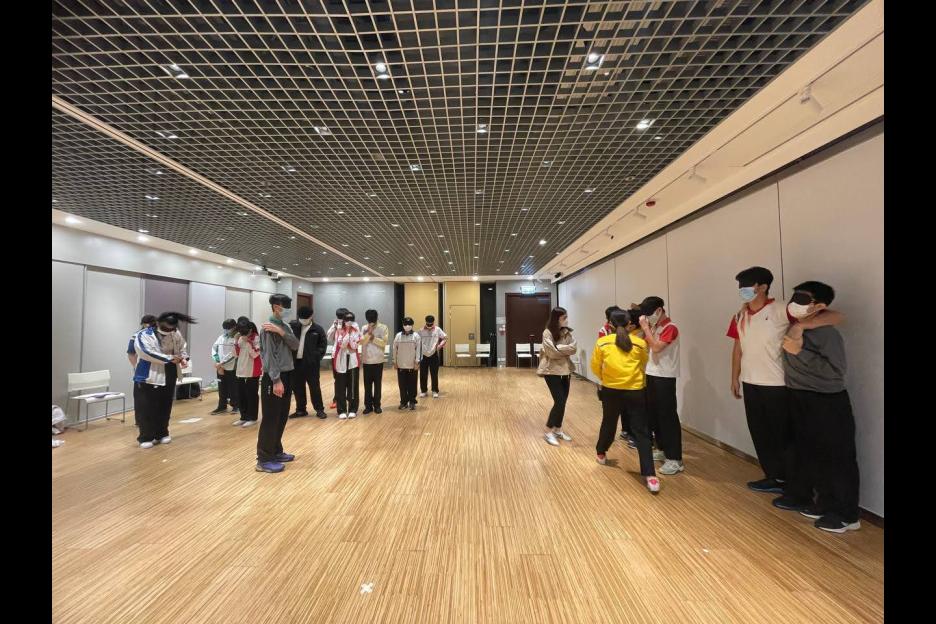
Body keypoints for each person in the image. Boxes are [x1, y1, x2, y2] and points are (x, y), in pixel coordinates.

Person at [728, 266, 843, 494]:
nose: (742, 290)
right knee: (760, 433)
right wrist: (734, 377)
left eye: (747, 285)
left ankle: (793, 484)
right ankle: (773, 477)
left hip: (777, 384)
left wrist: (801, 325)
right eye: (740, 286)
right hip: (751, 382)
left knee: (783, 436)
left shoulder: (782, 309)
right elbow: (737, 347)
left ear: (763, 287)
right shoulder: (739, 315)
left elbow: (836, 316)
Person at [772, 281, 860, 533]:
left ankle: (847, 514)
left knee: (838, 457)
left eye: (802, 299)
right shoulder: (795, 325)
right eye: (794, 298)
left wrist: (800, 351)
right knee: (813, 454)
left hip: (827, 400)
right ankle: (825, 503)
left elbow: (836, 371)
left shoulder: (828, 334)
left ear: (819, 306)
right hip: (799, 397)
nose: (794, 303)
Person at [591, 309, 660, 494]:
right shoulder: (639, 343)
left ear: (610, 325)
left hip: (610, 390)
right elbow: (644, 364)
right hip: (635, 391)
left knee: (609, 422)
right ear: (630, 324)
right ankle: (650, 475)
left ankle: (601, 453)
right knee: (641, 431)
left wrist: (605, 379)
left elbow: (595, 366)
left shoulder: (602, 342)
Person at [133, 312, 196, 449]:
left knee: (165, 405)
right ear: (158, 323)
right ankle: (145, 436)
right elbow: (146, 352)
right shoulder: (143, 335)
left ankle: (162, 433)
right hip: (149, 375)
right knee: (146, 407)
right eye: (166, 328)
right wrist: (169, 358)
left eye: (171, 328)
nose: (169, 331)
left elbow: (182, 348)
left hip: (169, 372)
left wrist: (184, 358)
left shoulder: (175, 333)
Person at [638, 296, 683, 475]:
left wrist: (645, 328)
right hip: (651, 374)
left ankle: (675, 459)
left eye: (648, 314)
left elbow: (656, 347)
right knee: (655, 415)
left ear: (659, 310)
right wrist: (647, 329)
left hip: (665, 377)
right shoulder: (654, 327)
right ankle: (663, 449)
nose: (646, 318)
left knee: (667, 417)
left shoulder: (671, 327)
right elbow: (646, 346)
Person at [256, 294, 300, 473]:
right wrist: (276, 380)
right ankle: (264, 458)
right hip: (274, 376)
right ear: (276, 307)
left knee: (282, 415)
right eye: (285, 306)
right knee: (271, 417)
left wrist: (281, 332)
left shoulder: (285, 326)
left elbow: (295, 345)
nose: (288, 310)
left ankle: (275, 450)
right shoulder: (267, 329)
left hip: (287, 374)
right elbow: (268, 356)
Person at [538, 307, 577, 447]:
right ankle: (548, 431)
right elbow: (551, 353)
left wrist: (558, 348)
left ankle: (558, 429)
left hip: (566, 371)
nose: (566, 320)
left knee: (563, 402)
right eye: (564, 318)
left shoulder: (567, 331)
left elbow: (574, 348)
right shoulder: (547, 333)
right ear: (557, 319)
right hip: (552, 371)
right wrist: (564, 350)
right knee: (559, 401)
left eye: (566, 317)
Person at [598, 305, 633, 446]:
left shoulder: (629, 332)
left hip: (626, 377)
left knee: (626, 407)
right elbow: (601, 357)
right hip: (610, 378)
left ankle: (626, 430)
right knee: (610, 414)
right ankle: (605, 443)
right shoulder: (603, 332)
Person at [289, 306, 327, 419]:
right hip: (296, 363)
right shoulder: (293, 327)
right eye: (301, 318)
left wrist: (316, 356)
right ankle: (301, 410)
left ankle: (319, 409)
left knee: (314, 387)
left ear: (311, 316)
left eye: (306, 318)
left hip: (311, 364)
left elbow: (323, 345)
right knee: (298, 387)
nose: (303, 320)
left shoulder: (318, 329)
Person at [232, 317, 261, 428]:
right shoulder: (240, 338)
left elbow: (255, 354)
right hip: (241, 370)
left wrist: (248, 342)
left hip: (252, 371)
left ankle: (252, 417)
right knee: (241, 395)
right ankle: (243, 417)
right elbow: (235, 354)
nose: (242, 333)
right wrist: (236, 341)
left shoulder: (256, 338)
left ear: (250, 330)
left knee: (251, 395)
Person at [332, 310, 361, 419]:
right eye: (347, 319)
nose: (349, 321)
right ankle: (341, 410)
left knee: (353, 386)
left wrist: (349, 337)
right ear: (344, 320)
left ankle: (353, 409)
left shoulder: (356, 330)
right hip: (341, 360)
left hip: (353, 361)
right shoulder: (339, 330)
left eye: (351, 319)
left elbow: (355, 346)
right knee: (340, 386)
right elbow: (341, 344)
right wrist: (346, 335)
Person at [360, 309, 390, 414]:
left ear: (377, 318)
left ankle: (377, 405)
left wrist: (373, 338)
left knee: (377, 385)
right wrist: (368, 333)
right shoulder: (364, 328)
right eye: (369, 320)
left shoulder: (383, 327)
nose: (371, 321)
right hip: (366, 360)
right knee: (367, 386)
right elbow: (362, 342)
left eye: (372, 319)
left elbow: (384, 343)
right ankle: (368, 406)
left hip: (378, 361)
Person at [210, 319, 239, 415]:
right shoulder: (221, 337)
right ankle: (222, 406)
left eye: (228, 328)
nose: (226, 330)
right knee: (221, 387)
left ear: (234, 327)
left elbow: (233, 353)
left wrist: (222, 363)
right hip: (220, 367)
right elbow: (214, 348)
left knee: (233, 387)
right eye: (225, 328)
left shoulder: (237, 337)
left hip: (232, 366)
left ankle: (236, 405)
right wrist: (217, 362)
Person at [393, 317, 422, 410]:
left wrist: (417, 361)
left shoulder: (416, 336)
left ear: (412, 325)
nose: (407, 326)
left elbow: (418, 350)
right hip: (401, 364)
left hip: (412, 365)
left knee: (412, 384)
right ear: (403, 325)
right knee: (402, 385)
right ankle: (403, 402)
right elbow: (394, 349)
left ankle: (412, 401)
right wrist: (394, 361)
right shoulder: (398, 336)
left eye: (409, 324)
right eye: (405, 324)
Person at [326, 307, 351, 410]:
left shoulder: (351, 324)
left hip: (348, 355)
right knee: (338, 379)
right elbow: (329, 338)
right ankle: (337, 399)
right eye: (339, 317)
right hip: (336, 355)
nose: (341, 319)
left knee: (349, 379)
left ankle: (349, 399)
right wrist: (335, 327)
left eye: (343, 317)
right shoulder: (335, 325)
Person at [418, 315, 447, 398]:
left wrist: (440, 345)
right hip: (423, 355)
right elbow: (416, 340)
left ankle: (435, 390)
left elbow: (445, 338)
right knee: (423, 374)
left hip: (434, 354)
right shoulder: (421, 330)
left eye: (431, 324)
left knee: (434, 374)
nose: (429, 326)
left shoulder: (438, 330)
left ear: (433, 322)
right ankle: (424, 391)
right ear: (425, 322)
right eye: (428, 324)